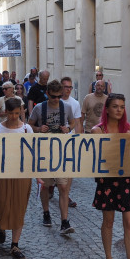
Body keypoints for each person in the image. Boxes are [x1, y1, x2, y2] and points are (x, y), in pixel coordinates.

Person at [91, 93, 130, 259]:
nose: (119, 110)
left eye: (122, 106)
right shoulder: (98, 131)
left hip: (125, 181)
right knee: (109, 221)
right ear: (107, 109)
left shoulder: (128, 129)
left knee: (129, 222)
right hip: (106, 180)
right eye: (115, 106)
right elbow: (94, 158)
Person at [29, 79, 77, 233]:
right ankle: (46, 212)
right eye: (53, 96)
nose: (56, 99)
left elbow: (74, 122)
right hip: (44, 153)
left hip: (61, 152)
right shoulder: (39, 108)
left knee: (63, 187)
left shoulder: (67, 107)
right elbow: (29, 125)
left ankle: (64, 221)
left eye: (59, 96)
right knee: (46, 185)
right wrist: (38, 128)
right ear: (47, 94)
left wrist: (68, 128)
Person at [0, 97, 34, 259]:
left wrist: (38, 176)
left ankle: (15, 244)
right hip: (2, 173)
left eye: (17, 113)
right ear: (6, 112)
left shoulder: (27, 129)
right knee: (2, 203)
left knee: (19, 208)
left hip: (22, 174)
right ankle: (1, 225)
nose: (15, 116)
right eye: (12, 113)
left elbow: (32, 154)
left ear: (21, 111)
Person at [60, 77, 82, 208]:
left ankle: (66, 194)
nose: (68, 90)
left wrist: (79, 140)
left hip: (70, 139)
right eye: (65, 87)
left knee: (69, 169)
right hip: (57, 140)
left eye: (70, 87)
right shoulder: (55, 102)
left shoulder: (75, 103)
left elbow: (78, 123)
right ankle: (56, 188)